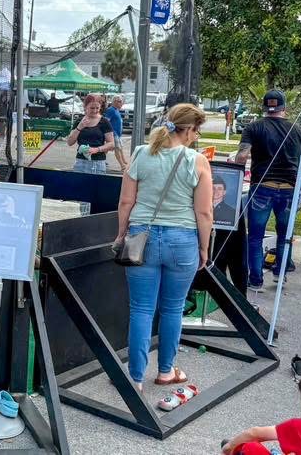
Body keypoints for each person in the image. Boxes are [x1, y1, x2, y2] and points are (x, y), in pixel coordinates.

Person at [114, 103, 212, 392]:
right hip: (182, 240)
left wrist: (121, 234)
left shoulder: (141, 154)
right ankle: (166, 371)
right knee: (173, 309)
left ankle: (135, 377)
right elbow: (204, 212)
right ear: (190, 130)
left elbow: (126, 202)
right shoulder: (197, 161)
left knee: (141, 309)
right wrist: (204, 248)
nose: (197, 136)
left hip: (141, 238)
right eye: (197, 131)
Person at [234, 89, 301, 291]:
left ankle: (255, 280)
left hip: (262, 187)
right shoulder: (298, 130)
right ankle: (280, 275)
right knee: (284, 236)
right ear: (284, 108)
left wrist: (240, 163)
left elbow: (242, 157)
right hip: (289, 189)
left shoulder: (253, 127)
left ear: (264, 107)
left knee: (255, 236)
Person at [66, 94, 114, 174]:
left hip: (98, 162)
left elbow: (111, 144)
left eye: (97, 108)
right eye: (92, 108)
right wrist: (79, 127)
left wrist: (96, 149)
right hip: (80, 162)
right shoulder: (79, 121)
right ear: (85, 107)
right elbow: (69, 142)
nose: (95, 111)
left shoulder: (104, 122)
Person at [105, 95, 129, 171]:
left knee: (119, 148)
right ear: (115, 102)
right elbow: (106, 121)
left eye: (122, 101)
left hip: (117, 134)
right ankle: (122, 165)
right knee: (117, 148)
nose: (122, 103)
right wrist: (109, 132)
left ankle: (124, 161)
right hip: (113, 133)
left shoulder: (116, 110)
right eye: (120, 102)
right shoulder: (111, 110)